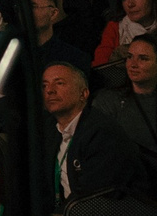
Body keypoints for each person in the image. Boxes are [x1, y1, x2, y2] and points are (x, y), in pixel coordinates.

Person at [41, 60, 148, 206]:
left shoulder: (102, 133)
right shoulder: (48, 128)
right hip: (65, 211)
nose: (50, 90)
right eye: (45, 85)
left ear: (83, 93)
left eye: (59, 83)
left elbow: (95, 198)